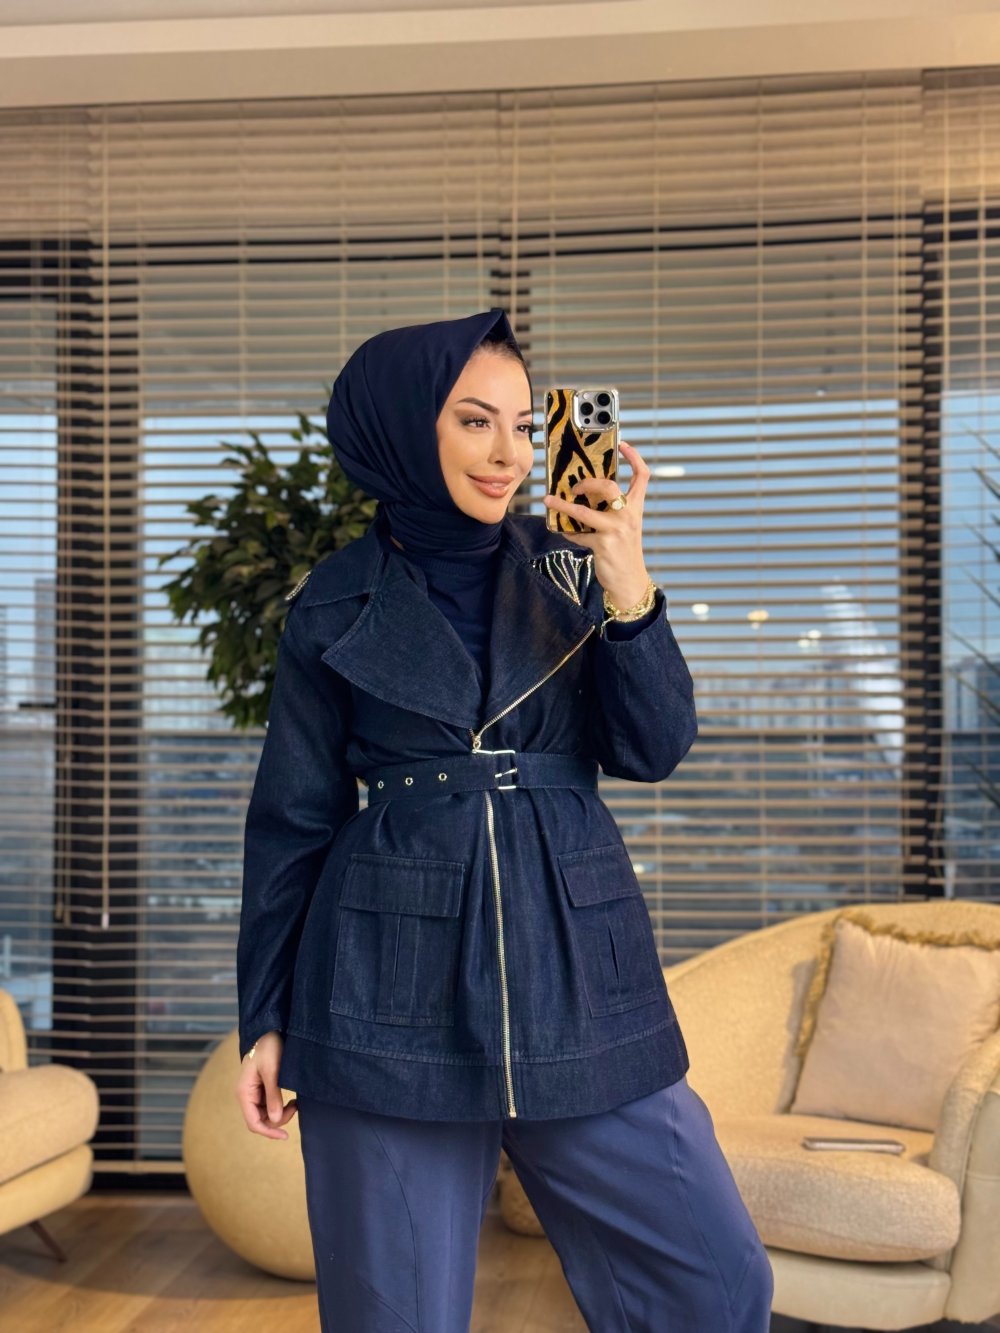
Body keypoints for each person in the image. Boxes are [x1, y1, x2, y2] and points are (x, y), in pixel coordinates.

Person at [234, 308, 773, 1332]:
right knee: (395, 1314)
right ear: (405, 426)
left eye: (525, 426)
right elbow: (293, 819)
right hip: (383, 984)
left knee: (711, 1280)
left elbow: (654, 747)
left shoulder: (572, 565)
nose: (510, 455)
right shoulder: (333, 601)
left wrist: (627, 584)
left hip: (576, 963)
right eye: (475, 421)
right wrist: (264, 1013)